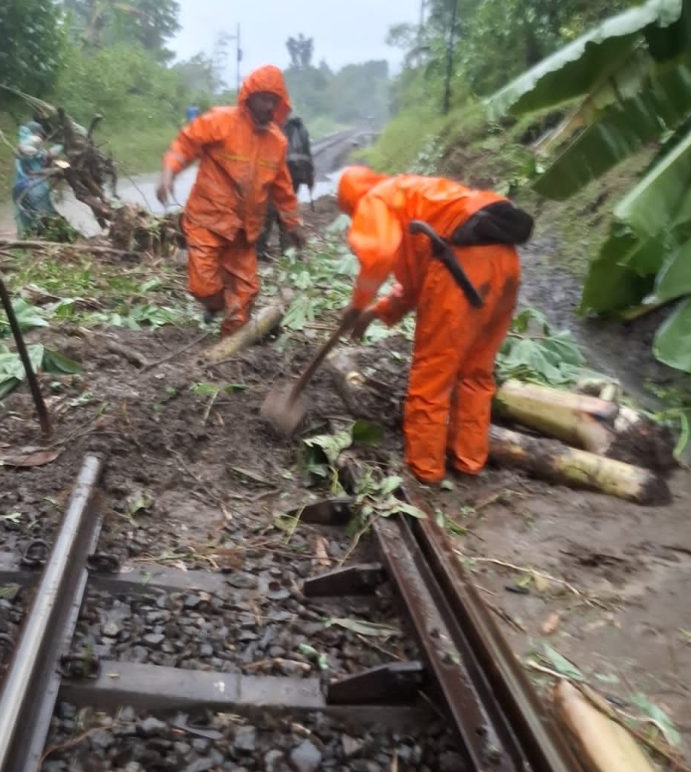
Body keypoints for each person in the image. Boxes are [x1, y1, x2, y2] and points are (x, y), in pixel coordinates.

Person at [336, 166, 533, 484]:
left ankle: (424, 468)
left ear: (351, 203)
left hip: (462, 269)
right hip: (505, 264)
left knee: (432, 377)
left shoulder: (375, 200)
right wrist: (375, 312)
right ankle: (469, 460)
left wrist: (357, 304)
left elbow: (378, 255)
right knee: (476, 372)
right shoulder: (412, 195)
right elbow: (414, 284)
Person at [156, 65, 304, 337]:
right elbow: (185, 144)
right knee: (203, 286)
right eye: (263, 98)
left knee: (245, 296)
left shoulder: (277, 142)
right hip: (207, 221)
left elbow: (283, 188)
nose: (268, 106)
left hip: (244, 233)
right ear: (249, 96)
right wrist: (168, 173)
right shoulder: (220, 121)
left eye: (273, 100)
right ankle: (215, 303)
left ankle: (231, 349)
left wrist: (293, 225)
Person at [257, 115, 314, 260]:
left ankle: (260, 248)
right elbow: (308, 157)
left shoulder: (277, 129)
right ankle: (288, 251)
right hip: (296, 176)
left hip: (277, 175)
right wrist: (309, 179)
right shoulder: (302, 131)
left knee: (268, 212)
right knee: (288, 211)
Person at [12, 121, 63, 238]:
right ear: (35, 132)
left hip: (19, 187)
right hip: (33, 188)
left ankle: (27, 240)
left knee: (27, 221)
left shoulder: (26, 144)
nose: (42, 137)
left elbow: (43, 161)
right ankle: (45, 240)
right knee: (45, 218)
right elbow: (41, 156)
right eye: (40, 134)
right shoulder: (31, 142)